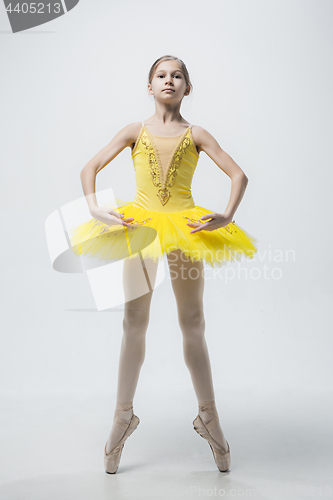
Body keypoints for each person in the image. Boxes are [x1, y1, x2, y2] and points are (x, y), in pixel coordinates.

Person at [70, 55, 258, 474]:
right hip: (141, 229)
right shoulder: (135, 130)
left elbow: (239, 175)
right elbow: (89, 167)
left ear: (187, 88)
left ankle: (209, 418)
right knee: (133, 323)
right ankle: (122, 418)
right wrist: (96, 210)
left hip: (187, 231)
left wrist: (227, 215)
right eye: (161, 75)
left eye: (177, 76)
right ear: (149, 86)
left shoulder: (197, 133)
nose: (169, 80)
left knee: (193, 322)